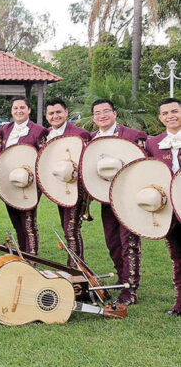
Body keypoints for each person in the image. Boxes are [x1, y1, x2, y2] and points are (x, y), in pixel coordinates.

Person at [90, 99, 146, 305]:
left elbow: (143, 164)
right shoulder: (91, 138)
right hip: (105, 198)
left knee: (129, 243)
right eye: (97, 113)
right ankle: (122, 280)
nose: (102, 115)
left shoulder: (132, 135)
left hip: (129, 197)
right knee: (112, 242)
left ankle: (130, 289)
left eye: (106, 111)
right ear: (93, 117)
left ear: (114, 113)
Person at [0, 96, 47, 255]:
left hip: (29, 184)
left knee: (28, 223)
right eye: (15, 108)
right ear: (11, 111)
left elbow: (43, 157)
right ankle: (22, 254)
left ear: (29, 110)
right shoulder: (4, 129)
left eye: (22, 108)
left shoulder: (38, 130)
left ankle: (32, 257)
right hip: (9, 182)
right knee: (16, 222)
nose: (19, 111)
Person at [44, 98, 91, 267]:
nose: (55, 116)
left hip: (75, 189)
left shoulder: (80, 133)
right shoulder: (46, 134)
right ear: (46, 116)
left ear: (66, 113)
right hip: (58, 188)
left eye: (58, 112)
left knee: (71, 229)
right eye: (51, 113)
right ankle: (76, 265)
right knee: (67, 229)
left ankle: (77, 268)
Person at [145, 97, 181, 315]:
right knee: (177, 256)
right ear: (160, 118)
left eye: (174, 111)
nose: (171, 116)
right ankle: (179, 304)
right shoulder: (153, 143)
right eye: (165, 113)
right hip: (168, 207)